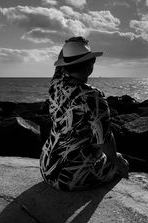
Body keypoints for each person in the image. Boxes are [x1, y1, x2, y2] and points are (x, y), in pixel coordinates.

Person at [40, 36, 129, 191]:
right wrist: (117, 161)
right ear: (90, 65)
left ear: (65, 65)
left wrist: (70, 45)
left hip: (47, 169)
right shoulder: (92, 97)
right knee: (120, 160)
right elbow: (104, 140)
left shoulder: (56, 83)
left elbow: (62, 62)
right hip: (72, 178)